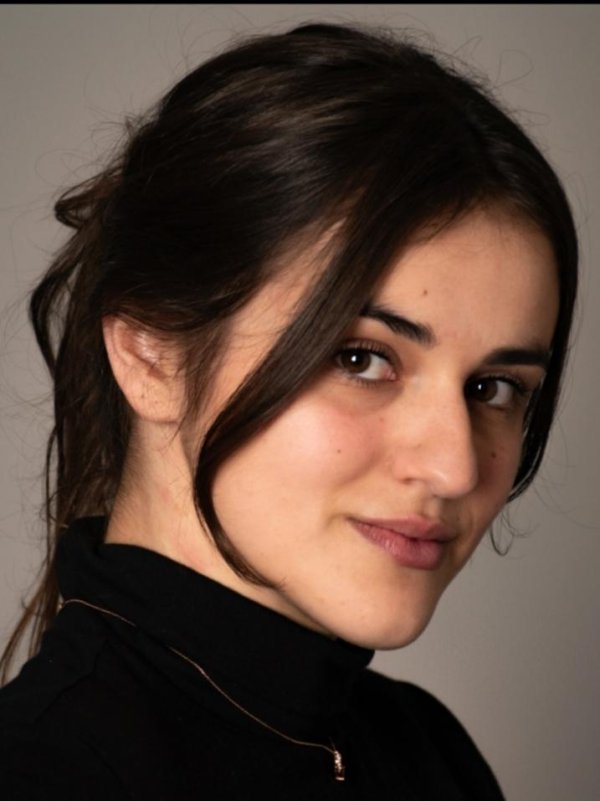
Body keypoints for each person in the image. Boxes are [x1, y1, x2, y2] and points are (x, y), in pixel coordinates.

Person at [0, 21, 577, 800]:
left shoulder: (427, 753)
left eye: (494, 387)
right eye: (361, 358)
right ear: (150, 353)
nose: (455, 466)